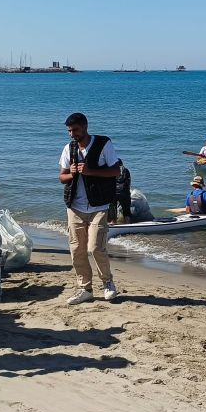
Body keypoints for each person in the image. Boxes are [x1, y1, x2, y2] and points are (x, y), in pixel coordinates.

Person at [59, 112, 122, 304]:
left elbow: (116, 171)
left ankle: (108, 283)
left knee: (95, 247)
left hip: (99, 205)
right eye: (69, 131)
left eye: (75, 130)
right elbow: (62, 177)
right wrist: (71, 173)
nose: (72, 134)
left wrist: (90, 171)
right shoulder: (68, 149)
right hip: (75, 206)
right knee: (77, 249)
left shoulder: (103, 143)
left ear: (85, 127)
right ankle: (84, 288)